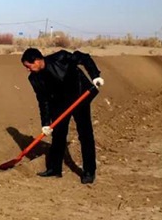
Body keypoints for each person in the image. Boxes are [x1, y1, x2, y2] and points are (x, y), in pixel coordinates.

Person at [20, 47, 104, 184]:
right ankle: (54, 168)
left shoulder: (61, 57)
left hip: (79, 97)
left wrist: (95, 76)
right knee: (58, 134)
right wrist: (46, 123)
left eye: (28, 66)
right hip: (59, 103)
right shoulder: (34, 78)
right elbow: (43, 100)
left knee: (85, 134)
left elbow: (84, 57)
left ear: (37, 61)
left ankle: (89, 171)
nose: (28, 70)